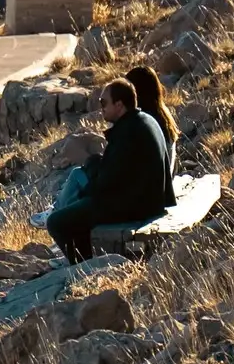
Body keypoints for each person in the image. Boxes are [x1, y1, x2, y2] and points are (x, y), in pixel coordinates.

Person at [46, 77, 178, 261]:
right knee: (78, 184)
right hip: (146, 199)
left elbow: (104, 184)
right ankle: (80, 251)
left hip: (134, 206)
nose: (101, 108)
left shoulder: (127, 133)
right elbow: (120, 169)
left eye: (104, 102)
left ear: (119, 105)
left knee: (56, 222)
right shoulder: (143, 120)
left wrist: (88, 162)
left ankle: (83, 265)